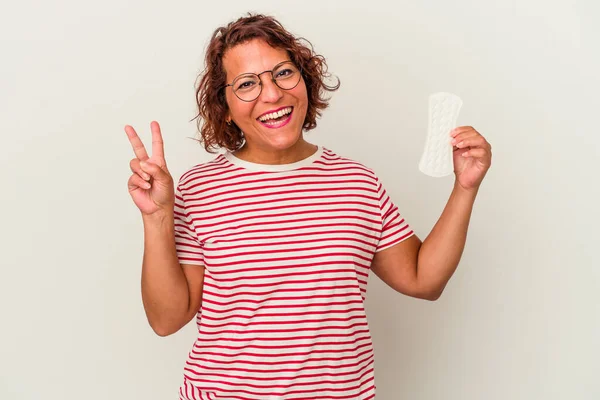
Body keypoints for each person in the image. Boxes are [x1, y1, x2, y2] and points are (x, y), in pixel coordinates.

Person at [124, 13, 492, 400]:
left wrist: (465, 188)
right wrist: (157, 217)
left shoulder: (357, 183)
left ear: (305, 80)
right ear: (226, 107)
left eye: (282, 73)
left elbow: (423, 280)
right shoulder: (200, 189)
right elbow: (167, 320)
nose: (271, 94)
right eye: (247, 84)